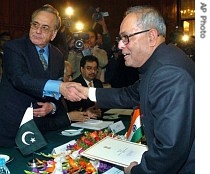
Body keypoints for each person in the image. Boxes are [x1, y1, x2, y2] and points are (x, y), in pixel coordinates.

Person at [75, 5, 195, 174]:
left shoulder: (167, 73)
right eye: (120, 38)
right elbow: (130, 94)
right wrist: (85, 92)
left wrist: (137, 171)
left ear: (151, 36)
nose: (120, 45)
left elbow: (171, 148)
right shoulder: (161, 61)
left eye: (126, 38)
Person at [0, 4, 85, 147]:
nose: (38, 31)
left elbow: (55, 95)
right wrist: (60, 87)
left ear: (53, 34)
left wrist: (52, 106)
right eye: (35, 25)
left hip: (40, 128)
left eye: (45, 28)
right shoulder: (14, 48)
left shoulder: (58, 55)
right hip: (11, 128)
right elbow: (20, 80)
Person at [65, 55, 103, 121]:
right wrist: (86, 111)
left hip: (99, 120)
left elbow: (103, 102)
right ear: (82, 69)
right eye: (89, 68)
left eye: (95, 68)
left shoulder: (98, 83)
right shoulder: (75, 85)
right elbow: (72, 110)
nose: (93, 71)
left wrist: (100, 110)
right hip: (82, 121)